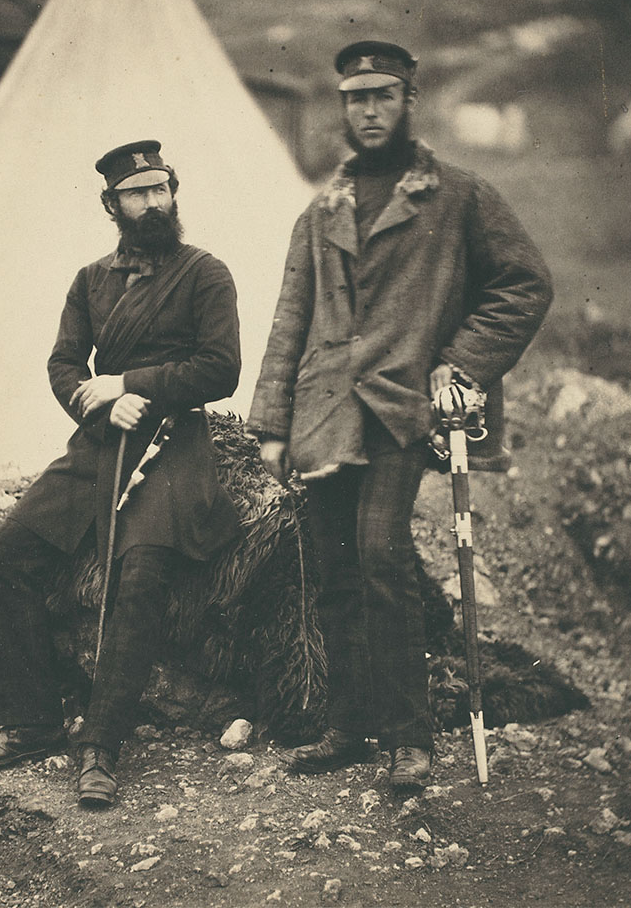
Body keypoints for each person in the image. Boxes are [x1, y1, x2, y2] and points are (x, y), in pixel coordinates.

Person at [248, 41, 553, 791]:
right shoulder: (321, 211)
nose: (370, 110)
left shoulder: (458, 196)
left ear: (410, 101)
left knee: (381, 557)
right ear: (343, 108)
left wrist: (462, 363)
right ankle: (349, 726)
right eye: (356, 98)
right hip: (325, 414)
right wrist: (273, 425)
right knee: (337, 575)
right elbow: (290, 320)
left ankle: (410, 741)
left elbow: (523, 285)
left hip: (401, 409)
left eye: (384, 95)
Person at [0, 139, 241, 810]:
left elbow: (220, 368)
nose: (153, 203)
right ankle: (31, 723)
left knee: (137, 570)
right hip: (99, 444)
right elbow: (62, 363)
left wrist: (132, 383)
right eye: (138, 194)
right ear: (111, 204)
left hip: (175, 443)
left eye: (162, 188)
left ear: (174, 193)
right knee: (5, 556)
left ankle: (102, 748)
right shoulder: (91, 281)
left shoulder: (205, 273)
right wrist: (93, 397)